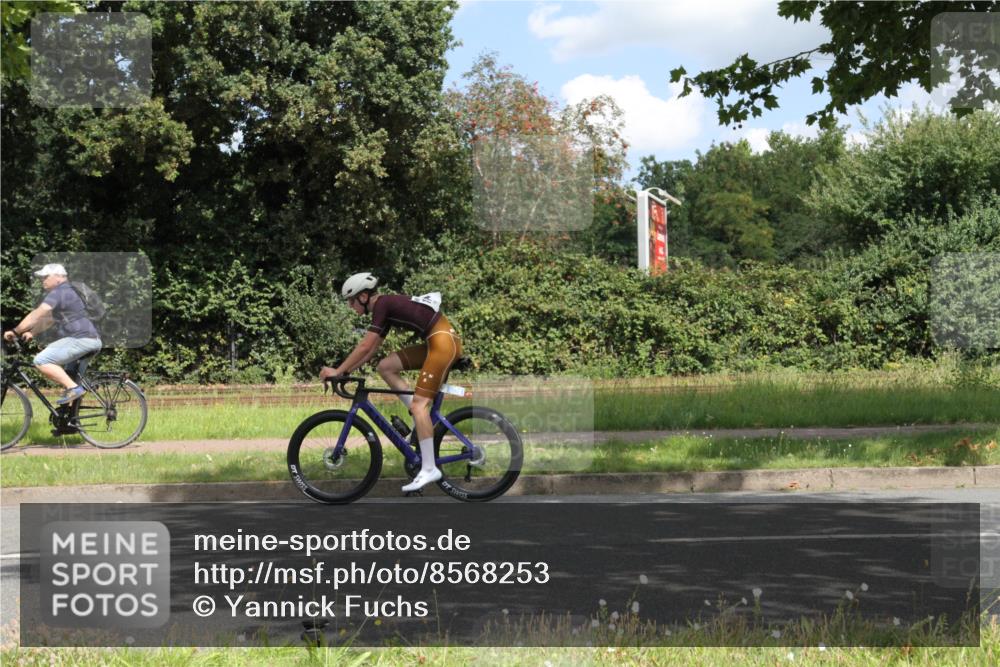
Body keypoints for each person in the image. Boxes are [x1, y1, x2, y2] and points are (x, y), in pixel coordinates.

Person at [320, 272, 462, 493]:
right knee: (385, 366)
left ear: (364, 297)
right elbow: (371, 350)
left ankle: (429, 468)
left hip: (443, 343)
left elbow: (365, 346)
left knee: (420, 406)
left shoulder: (382, 304)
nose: (350, 306)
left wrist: (337, 371)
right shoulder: (385, 308)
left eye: (351, 301)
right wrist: (345, 371)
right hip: (438, 341)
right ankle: (418, 421)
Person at [3, 264, 102, 405]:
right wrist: (32, 332)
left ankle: (74, 388)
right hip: (91, 340)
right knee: (70, 377)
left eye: (45, 277)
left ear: (58, 277)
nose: (42, 280)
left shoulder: (59, 292)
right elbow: (49, 319)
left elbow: (36, 315)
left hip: (80, 339)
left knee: (41, 360)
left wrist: (15, 331)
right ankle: (70, 416)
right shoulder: (67, 291)